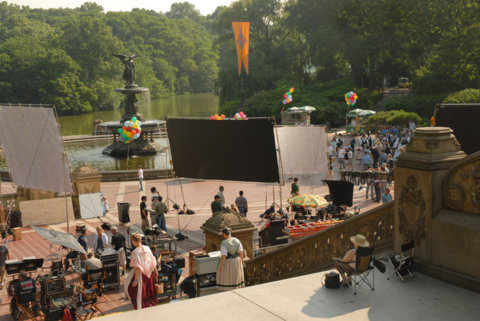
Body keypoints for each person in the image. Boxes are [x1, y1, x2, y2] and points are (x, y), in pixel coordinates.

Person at [125, 233, 158, 309]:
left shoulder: (135, 252)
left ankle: (142, 307)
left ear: (134, 241)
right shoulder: (147, 248)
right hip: (149, 275)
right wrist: (156, 271)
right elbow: (153, 260)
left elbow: (137, 267)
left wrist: (136, 280)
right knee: (149, 291)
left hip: (141, 276)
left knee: (134, 290)